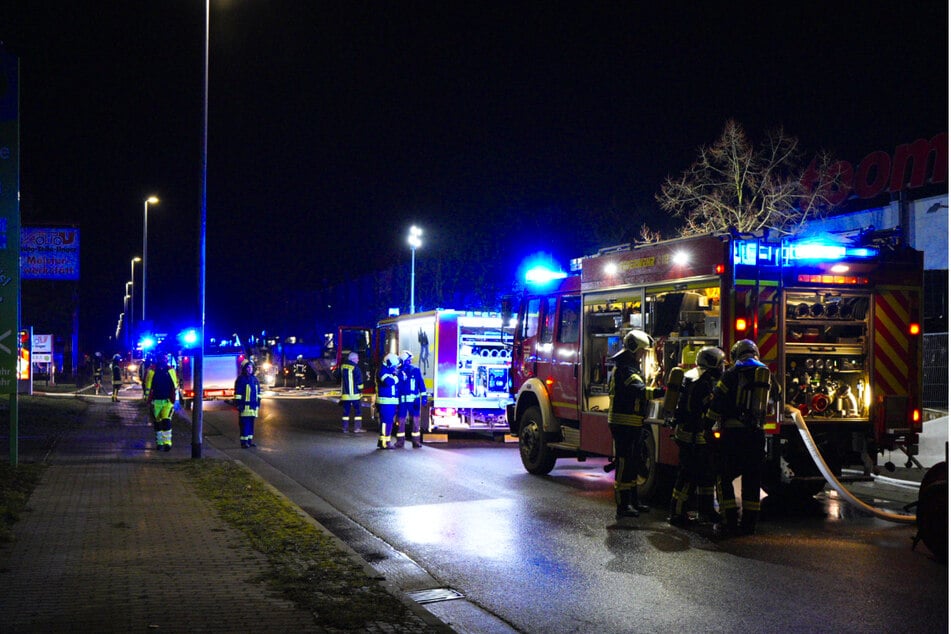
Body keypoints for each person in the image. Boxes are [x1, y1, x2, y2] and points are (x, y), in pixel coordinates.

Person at [704, 339, 773, 536]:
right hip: (757, 435)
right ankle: (749, 524)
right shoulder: (765, 372)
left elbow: (717, 401)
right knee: (752, 479)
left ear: (736, 355)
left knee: (723, 476)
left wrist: (706, 426)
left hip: (733, 435)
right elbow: (776, 396)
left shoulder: (732, 373)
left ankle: (730, 520)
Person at [667, 346, 725, 527]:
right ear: (713, 364)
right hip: (692, 436)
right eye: (720, 363)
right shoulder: (701, 382)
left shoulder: (694, 376)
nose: (722, 367)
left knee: (706, 475)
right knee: (688, 476)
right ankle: (677, 513)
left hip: (695, 435)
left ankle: (706, 510)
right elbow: (697, 409)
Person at [608, 329, 654, 519]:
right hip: (623, 423)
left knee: (634, 463)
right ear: (634, 349)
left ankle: (633, 501)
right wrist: (663, 392)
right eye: (642, 351)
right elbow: (640, 391)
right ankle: (622, 505)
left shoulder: (630, 366)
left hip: (632, 423)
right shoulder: (625, 369)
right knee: (624, 464)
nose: (643, 355)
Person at [144, 353, 179, 452]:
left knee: (166, 421)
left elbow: (175, 384)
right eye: (162, 359)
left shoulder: (170, 370)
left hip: (167, 401)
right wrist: (148, 399)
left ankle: (167, 443)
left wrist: (173, 398)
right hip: (155, 401)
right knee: (157, 423)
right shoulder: (152, 371)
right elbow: (147, 385)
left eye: (165, 359)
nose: (164, 361)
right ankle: (160, 443)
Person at [395, 350, 427, 448]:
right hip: (403, 402)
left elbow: (421, 383)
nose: (410, 362)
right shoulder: (398, 371)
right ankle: (400, 442)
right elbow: (396, 387)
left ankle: (416, 442)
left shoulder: (415, 370)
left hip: (414, 401)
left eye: (410, 360)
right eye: (408, 360)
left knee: (416, 422)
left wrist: (424, 396)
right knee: (401, 422)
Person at [234, 358, 262, 448]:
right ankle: (244, 442)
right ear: (244, 368)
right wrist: (238, 404)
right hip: (244, 407)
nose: (249, 369)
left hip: (253, 407)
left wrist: (258, 403)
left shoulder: (255, 379)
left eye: (250, 367)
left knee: (251, 425)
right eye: (247, 367)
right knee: (244, 425)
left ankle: (249, 441)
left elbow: (258, 393)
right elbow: (238, 394)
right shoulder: (241, 379)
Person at [376, 353, 400, 450]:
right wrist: (397, 377)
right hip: (385, 403)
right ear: (389, 363)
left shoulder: (388, 371)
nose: (395, 368)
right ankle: (385, 442)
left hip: (390, 403)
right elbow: (388, 382)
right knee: (385, 422)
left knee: (389, 422)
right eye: (394, 366)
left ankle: (384, 441)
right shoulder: (382, 371)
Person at [338, 352, 365, 433]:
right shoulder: (355, 368)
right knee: (358, 411)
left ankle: (345, 428)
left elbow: (337, 376)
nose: (358, 360)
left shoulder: (342, 366)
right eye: (357, 358)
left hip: (345, 394)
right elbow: (359, 381)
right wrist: (361, 390)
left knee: (346, 412)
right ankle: (357, 428)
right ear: (353, 359)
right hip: (355, 395)